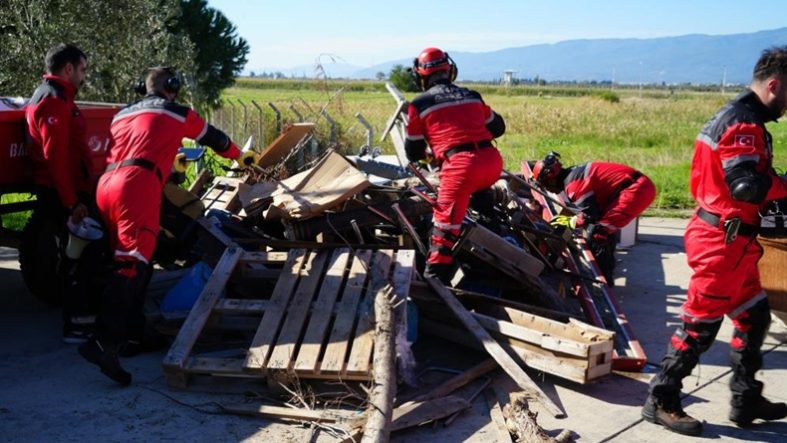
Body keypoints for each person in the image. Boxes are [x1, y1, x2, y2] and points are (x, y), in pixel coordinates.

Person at [641, 46, 787, 436]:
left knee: (754, 317)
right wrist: (782, 185)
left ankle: (745, 399)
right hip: (721, 243)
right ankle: (660, 399)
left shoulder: (740, 117)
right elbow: (745, 186)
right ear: (774, 85)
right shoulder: (743, 124)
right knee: (699, 325)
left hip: (736, 242)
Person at [78, 67, 255, 385]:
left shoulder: (122, 114)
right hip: (136, 187)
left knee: (136, 264)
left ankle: (132, 336)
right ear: (172, 86)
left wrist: (171, 164)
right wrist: (240, 157)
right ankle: (102, 342)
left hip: (106, 186)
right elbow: (215, 139)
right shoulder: (176, 112)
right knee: (131, 266)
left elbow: (144, 146)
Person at [404, 47, 506, 283]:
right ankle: (496, 236)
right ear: (450, 70)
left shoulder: (419, 104)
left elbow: (413, 152)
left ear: (420, 75)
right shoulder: (472, 96)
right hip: (492, 164)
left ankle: (434, 282)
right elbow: (498, 128)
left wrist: (433, 155)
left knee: (444, 233)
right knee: (481, 199)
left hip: (461, 169)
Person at [25, 43, 96, 343]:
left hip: (63, 192)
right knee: (78, 258)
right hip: (62, 194)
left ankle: (80, 321)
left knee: (75, 256)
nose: (84, 76)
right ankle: (78, 325)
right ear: (68, 69)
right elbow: (55, 158)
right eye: (82, 69)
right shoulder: (54, 100)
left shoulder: (56, 96)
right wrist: (71, 202)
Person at [532, 152, 656, 284]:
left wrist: (571, 221)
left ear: (551, 179)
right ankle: (607, 268)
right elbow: (590, 209)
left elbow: (589, 216)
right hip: (634, 186)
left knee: (598, 233)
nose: (548, 190)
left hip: (635, 190)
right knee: (603, 227)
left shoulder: (573, 185)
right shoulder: (573, 175)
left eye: (545, 185)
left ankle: (602, 282)